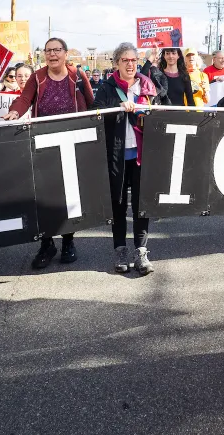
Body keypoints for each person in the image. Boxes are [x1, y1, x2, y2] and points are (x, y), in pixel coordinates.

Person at [5, 37, 95, 269]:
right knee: (42, 196)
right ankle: (46, 244)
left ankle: (68, 242)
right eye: (48, 51)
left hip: (72, 142)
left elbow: (92, 103)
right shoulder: (37, 77)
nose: (52, 54)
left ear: (66, 53)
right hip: (43, 142)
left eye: (57, 50)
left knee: (69, 195)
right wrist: (15, 112)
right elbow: (24, 99)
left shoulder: (77, 76)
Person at [93, 42, 159, 275]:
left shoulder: (148, 85)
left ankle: (141, 251)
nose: (130, 64)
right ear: (117, 63)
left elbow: (161, 112)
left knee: (142, 204)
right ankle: (120, 249)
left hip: (143, 154)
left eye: (133, 60)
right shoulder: (107, 87)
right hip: (117, 155)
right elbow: (96, 112)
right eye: (125, 60)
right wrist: (118, 106)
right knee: (118, 204)